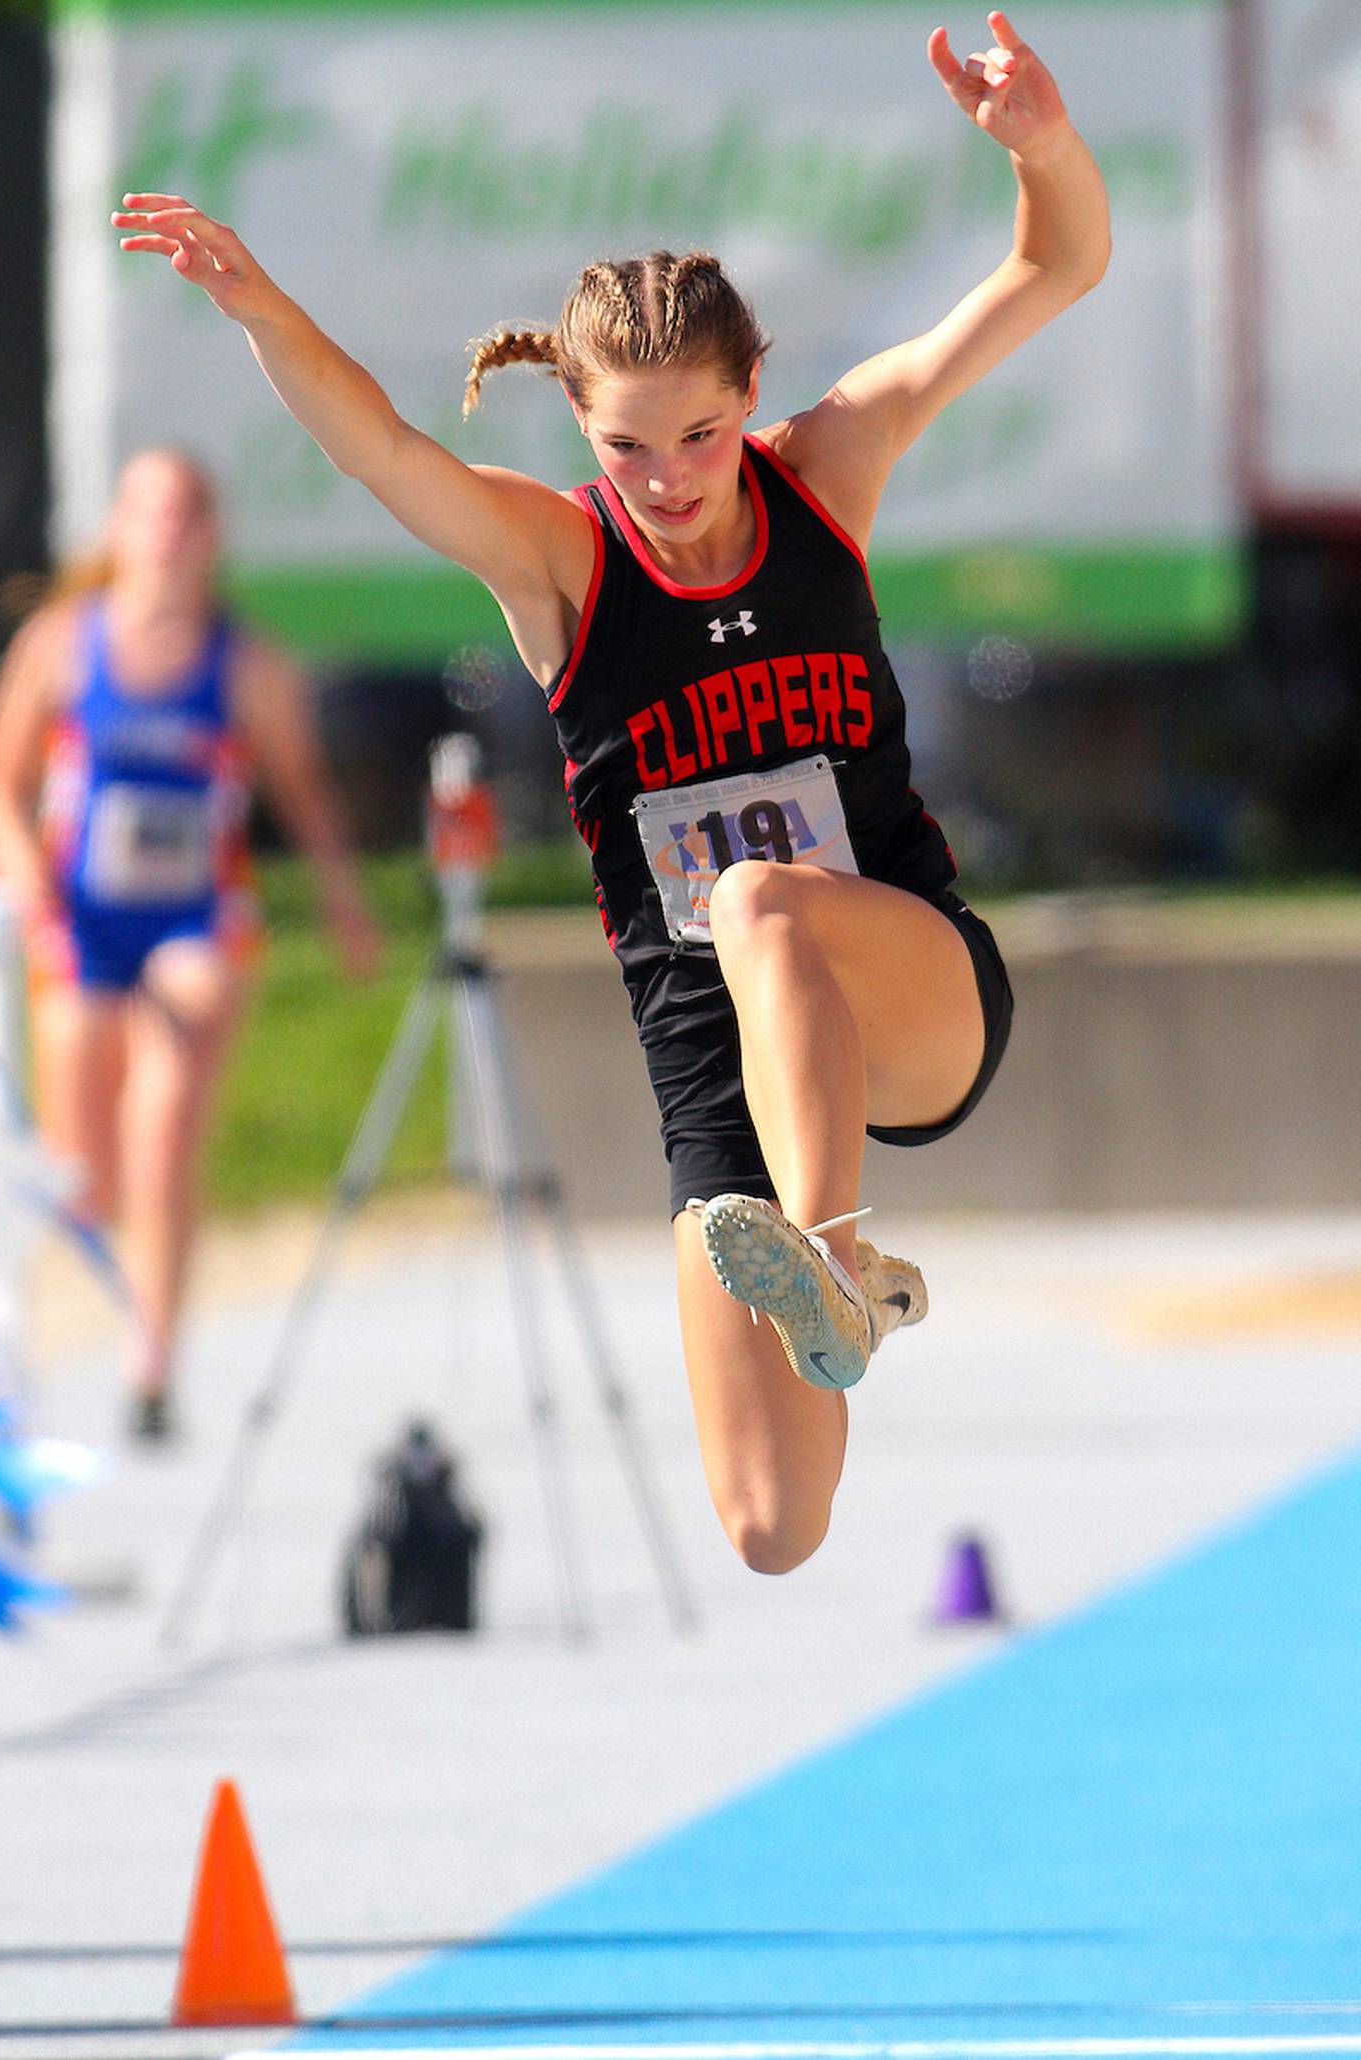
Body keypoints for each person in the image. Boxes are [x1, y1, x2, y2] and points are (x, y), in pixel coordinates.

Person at [111, 12, 1108, 1558]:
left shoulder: (826, 470)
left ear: (752, 390)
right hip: (717, 1066)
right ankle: (830, 1292)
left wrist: (1041, 150)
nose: (673, 478)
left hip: (902, 984)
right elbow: (381, 449)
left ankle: (838, 1254)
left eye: (703, 433)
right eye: (632, 445)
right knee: (771, 1528)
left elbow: (1052, 272)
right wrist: (262, 312)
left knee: (766, 896)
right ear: (581, 423)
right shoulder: (567, 563)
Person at [0, 448, 380, 1441]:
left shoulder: (247, 662)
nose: (168, 531)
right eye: (149, 511)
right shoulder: (63, 643)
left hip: (195, 916)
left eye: (188, 512)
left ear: (212, 534)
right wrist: (29, 888)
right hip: (85, 918)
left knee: (166, 1124)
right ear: (118, 527)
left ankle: (153, 1358)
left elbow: (301, 791)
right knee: (85, 1168)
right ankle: (83, 1301)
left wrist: (343, 899)